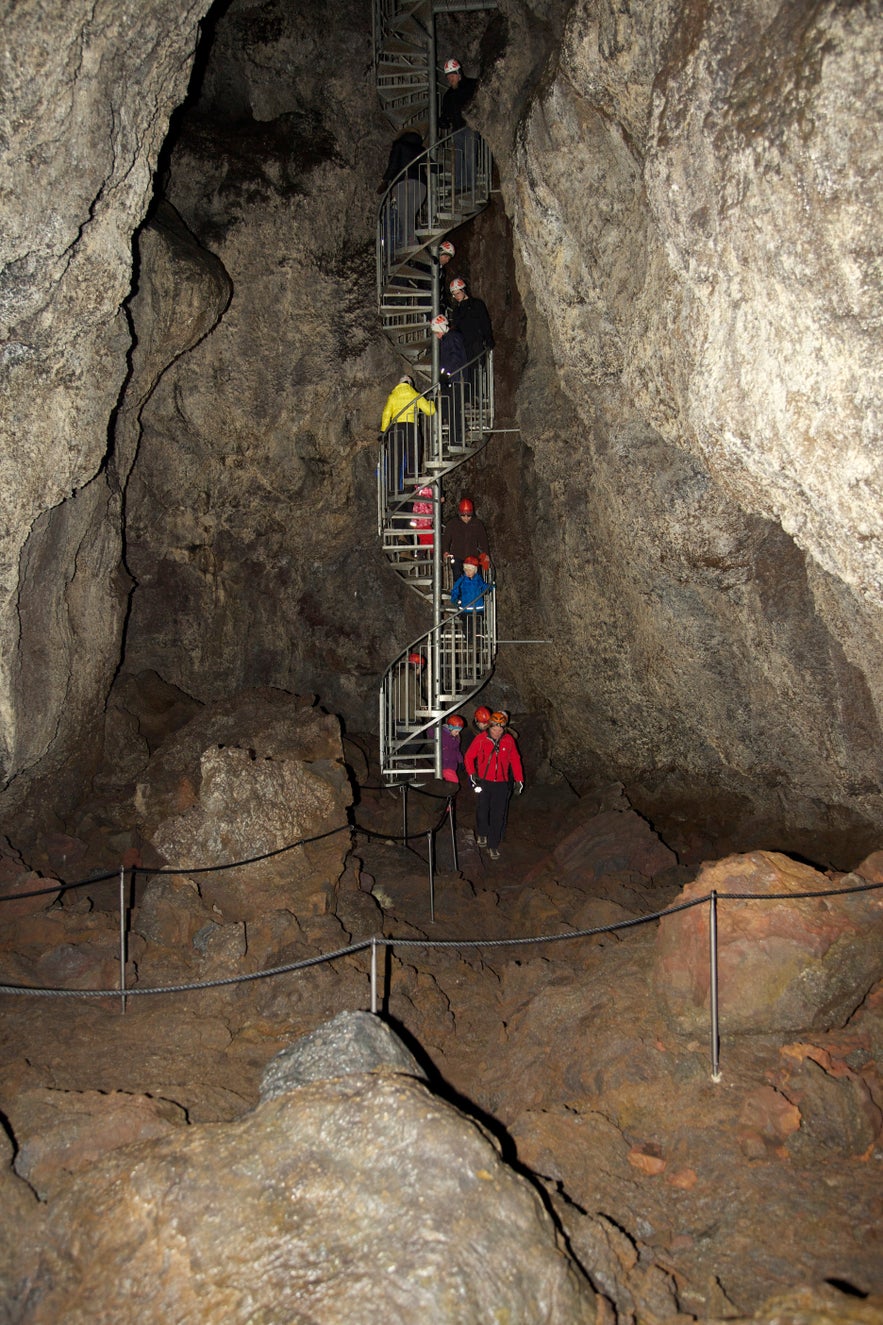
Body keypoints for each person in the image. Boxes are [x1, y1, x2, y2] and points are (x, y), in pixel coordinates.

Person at [464, 712, 524, 860]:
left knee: (498, 814)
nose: (497, 732)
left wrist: (519, 780)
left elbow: (515, 760)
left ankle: (493, 845)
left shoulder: (508, 740)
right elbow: (469, 756)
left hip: (502, 784)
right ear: (490, 726)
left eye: (500, 729)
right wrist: (472, 774)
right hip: (485, 781)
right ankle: (482, 832)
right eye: (494, 729)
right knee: (483, 809)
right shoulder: (481, 739)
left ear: (504, 728)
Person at [381, 374, 436, 489]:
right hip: (411, 428)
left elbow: (386, 414)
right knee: (413, 456)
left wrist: (383, 431)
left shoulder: (393, 396)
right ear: (410, 384)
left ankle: (393, 489)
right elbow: (429, 411)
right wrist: (432, 401)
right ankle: (411, 486)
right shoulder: (415, 395)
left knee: (394, 460)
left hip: (395, 429)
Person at [380, 130, 426, 252]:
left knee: (404, 215)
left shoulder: (399, 145)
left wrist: (385, 181)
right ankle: (409, 242)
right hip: (421, 187)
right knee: (409, 215)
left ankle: (410, 243)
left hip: (404, 183)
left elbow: (393, 165)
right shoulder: (421, 149)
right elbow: (433, 166)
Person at [439, 58, 477, 191]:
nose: (450, 79)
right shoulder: (448, 95)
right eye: (448, 77)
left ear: (459, 74)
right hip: (456, 130)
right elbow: (445, 113)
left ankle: (470, 185)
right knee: (457, 158)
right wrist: (443, 121)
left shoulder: (472, 85)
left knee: (469, 155)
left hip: (470, 127)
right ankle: (459, 186)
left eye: (452, 75)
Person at [431, 313, 467, 447]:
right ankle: (459, 432)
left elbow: (454, 358)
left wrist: (446, 373)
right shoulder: (448, 339)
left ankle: (456, 439)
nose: (436, 336)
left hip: (456, 379)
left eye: (436, 332)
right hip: (452, 379)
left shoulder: (451, 338)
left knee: (452, 408)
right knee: (445, 405)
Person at [449, 555, 491, 661]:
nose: (468, 572)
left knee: (478, 626)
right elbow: (455, 590)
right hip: (466, 609)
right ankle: (470, 642)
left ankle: (479, 643)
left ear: (475, 570)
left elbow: (484, 587)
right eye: (466, 570)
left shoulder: (478, 580)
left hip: (478, 608)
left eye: (470, 570)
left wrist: (491, 587)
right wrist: (455, 600)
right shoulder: (462, 580)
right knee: (467, 627)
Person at [449, 277, 494, 368]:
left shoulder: (477, 304)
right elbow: (456, 326)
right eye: (454, 295)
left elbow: (485, 322)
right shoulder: (457, 309)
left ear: (464, 290)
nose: (456, 297)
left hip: (477, 342)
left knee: (478, 368)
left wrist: (489, 339)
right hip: (464, 345)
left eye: (458, 293)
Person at [442, 496, 490, 580]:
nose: (466, 518)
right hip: (457, 556)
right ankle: (460, 592)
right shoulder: (453, 524)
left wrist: (486, 553)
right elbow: (446, 538)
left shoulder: (477, 524)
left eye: (469, 515)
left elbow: (483, 540)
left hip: (473, 557)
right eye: (463, 515)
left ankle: (478, 592)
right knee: (458, 578)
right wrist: (445, 550)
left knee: (477, 578)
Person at [441, 714, 465, 784]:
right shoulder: (442, 733)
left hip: (452, 765)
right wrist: (432, 721)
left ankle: (447, 795)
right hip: (444, 765)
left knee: (451, 784)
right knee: (454, 782)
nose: (457, 733)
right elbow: (431, 732)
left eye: (459, 731)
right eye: (456, 731)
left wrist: (461, 761)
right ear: (450, 728)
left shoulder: (456, 738)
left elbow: (457, 750)